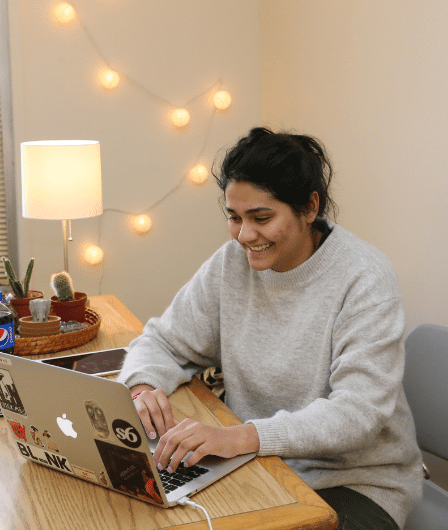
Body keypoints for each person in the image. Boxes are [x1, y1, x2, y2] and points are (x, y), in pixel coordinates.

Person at [117, 127, 423, 529]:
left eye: (261, 217)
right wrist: (142, 387)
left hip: (356, 483)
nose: (245, 236)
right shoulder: (231, 263)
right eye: (234, 217)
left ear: (309, 207)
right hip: (257, 463)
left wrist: (242, 437)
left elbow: (358, 415)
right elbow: (161, 340)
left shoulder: (364, 277)